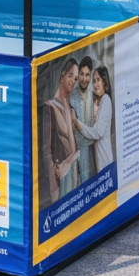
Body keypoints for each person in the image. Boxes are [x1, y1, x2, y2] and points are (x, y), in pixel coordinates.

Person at [42, 57, 81, 204]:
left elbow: (77, 150)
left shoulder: (71, 111)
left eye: (75, 78)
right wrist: (53, 189)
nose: (73, 80)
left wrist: (67, 164)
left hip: (72, 177)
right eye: (70, 75)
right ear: (62, 76)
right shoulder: (49, 108)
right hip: (58, 183)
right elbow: (46, 152)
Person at [72, 65, 114, 173]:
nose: (95, 84)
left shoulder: (106, 100)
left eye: (98, 80)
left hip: (105, 163)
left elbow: (97, 132)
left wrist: (77, 123)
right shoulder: (96, 101)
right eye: (94, 81)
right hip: (98, 163)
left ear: (104, 81)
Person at [69, 56, 95, 184]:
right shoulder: (71, 97)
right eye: (82, 74)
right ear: (78, 74)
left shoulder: (94, 95)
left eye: (87, 75)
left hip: (93, 149)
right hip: (76, 151)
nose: (84, 79)